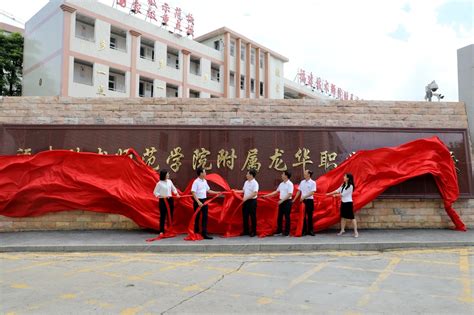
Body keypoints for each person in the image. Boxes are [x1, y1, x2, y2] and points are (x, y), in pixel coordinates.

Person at [191, 167, 221, 240]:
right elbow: (193, 192)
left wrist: (218, 193)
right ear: (201, 173)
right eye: (204, 172)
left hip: (204, 201)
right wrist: (198, 202)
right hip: (197, 201)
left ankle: (204, 233)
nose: (205, 173)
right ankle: (196, 232)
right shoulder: (196, 182)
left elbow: (208, 190)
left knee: (205, 217)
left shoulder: (204, 181)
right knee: (197, 218)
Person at [263, 170, 294, 236]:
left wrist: (282, 200)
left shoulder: (290, 184)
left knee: (287, 217)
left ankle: (287, 232)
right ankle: (279, 230)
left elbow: (290, 194)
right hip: (281, 201)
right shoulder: (281, 184)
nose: (281, 175)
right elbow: (276, 192)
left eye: (282, 174)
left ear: (286, 176)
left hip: (287, 202)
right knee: (279, 217)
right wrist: (267, 195)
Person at [327, 173, 358, 238]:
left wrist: (335, 195)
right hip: (343, 203)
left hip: (348, 203)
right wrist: (329, 193)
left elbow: (343, 194)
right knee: (343, 217)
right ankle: (342, 230)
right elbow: (337, 190)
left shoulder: (350, 186)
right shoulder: (343, 184)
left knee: (352, 218)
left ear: (348, 178)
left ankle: (356, 232)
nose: (343, 177)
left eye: (345, 176)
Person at [153, 169, 179, 235]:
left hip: (170, 199)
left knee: (170, 215)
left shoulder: (169, 181)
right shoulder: (159, 183)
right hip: (163, 200)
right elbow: (155, 192)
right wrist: (161, 195)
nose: (168, 175)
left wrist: (176, 194)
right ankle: (161, 230)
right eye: (167, 174)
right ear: (164, 175)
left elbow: (173, 188)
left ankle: (170, 229)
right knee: (163, 215)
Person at [234, 169, 259, 237]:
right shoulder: (246, 182)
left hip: (252, 201)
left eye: (247, 174)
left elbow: (255, 193)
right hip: (245, 201)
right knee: (245, 216)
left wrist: (246, 198)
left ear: (251, 175)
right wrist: (235, 191)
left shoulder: (255, 183)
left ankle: (253, 231)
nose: (246, 175)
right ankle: (246, 231)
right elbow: (243, 191)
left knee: (252, 217)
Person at [293, 169, 316, 236]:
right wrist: (294, 199)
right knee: (303, 216)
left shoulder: (313, 182)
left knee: (310, 216)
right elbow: (299, 191)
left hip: (309, 201)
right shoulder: (302, 182)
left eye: (305, 173)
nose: (304, 174)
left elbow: (312, 192)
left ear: (309, 174)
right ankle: (304, 231)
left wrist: (304, 196)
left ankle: (311, 230)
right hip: (303, 201)